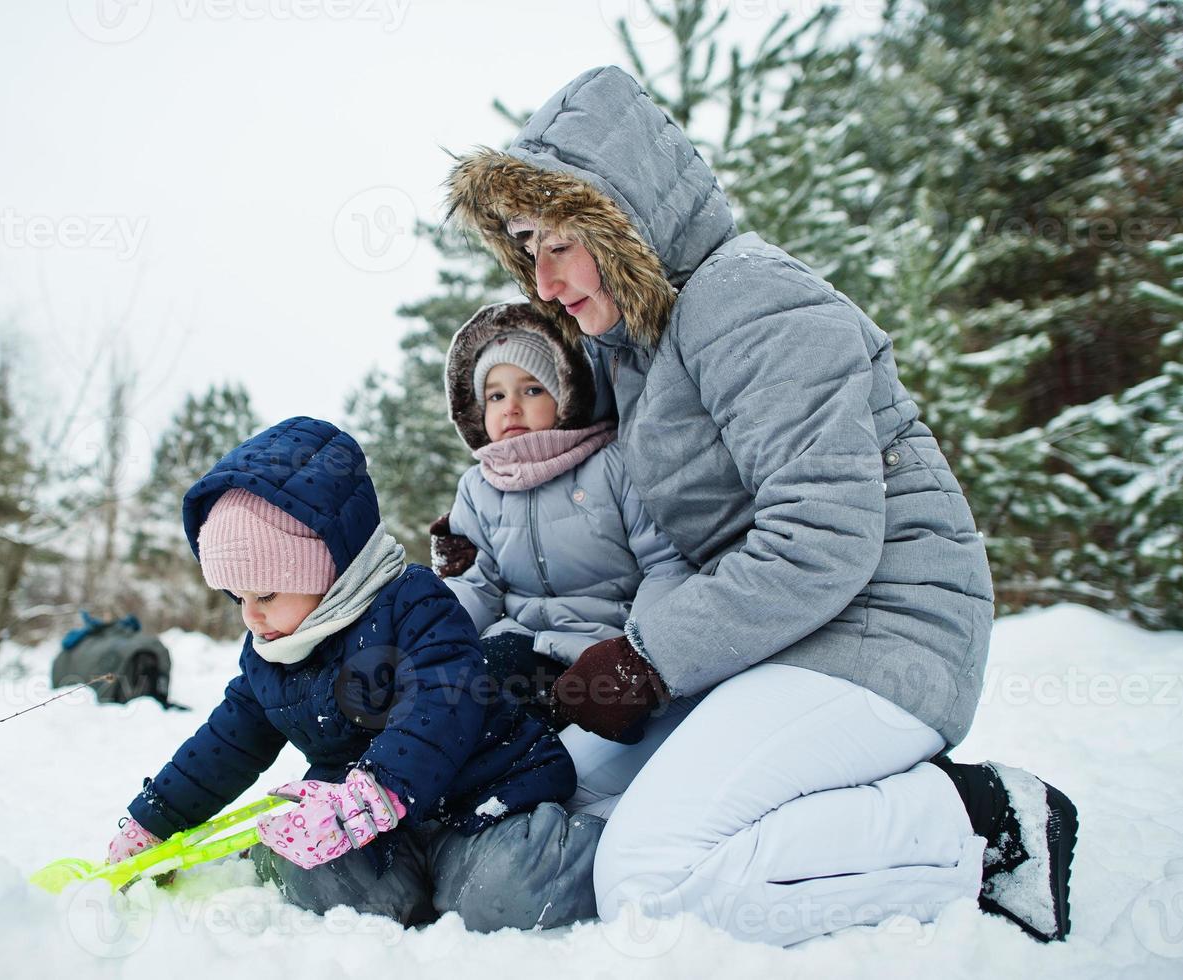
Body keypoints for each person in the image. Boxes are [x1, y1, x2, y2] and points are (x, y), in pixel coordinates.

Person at [442, 65, 1077, 945]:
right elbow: (677, 550)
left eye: (558, 244)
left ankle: (975, 821)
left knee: (650, 877)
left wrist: (646, 661)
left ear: (619, 220)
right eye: (524, 248)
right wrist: (580, 659)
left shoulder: (748, 299)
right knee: (565, 789)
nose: (542, 283)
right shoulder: (644, 347)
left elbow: (821, 535)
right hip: (775, 643)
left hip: (884, 636)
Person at [104, 416, 603, 932]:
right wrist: (154, 819)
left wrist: (377, 791)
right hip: (362, 825)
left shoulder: (413, 605)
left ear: (325, 570)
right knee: (321, 879)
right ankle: (401, 885)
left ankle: (598, 848)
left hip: (480, 799)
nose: (250, 616)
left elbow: (442, 703)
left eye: (266, 594)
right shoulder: (271, 652)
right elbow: (228, 742)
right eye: (238, 598)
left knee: (504, 893)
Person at [438, 300, 694, 729]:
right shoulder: (480, 488)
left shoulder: (612, 465)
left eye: (532, 389)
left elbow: (666, 566)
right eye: (496, 395)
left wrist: (638, 653)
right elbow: (476, 585)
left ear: (567, 392)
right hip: (522, 647)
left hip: (602, 650)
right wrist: (432, 642)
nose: (511, 407)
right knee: (455, 682)